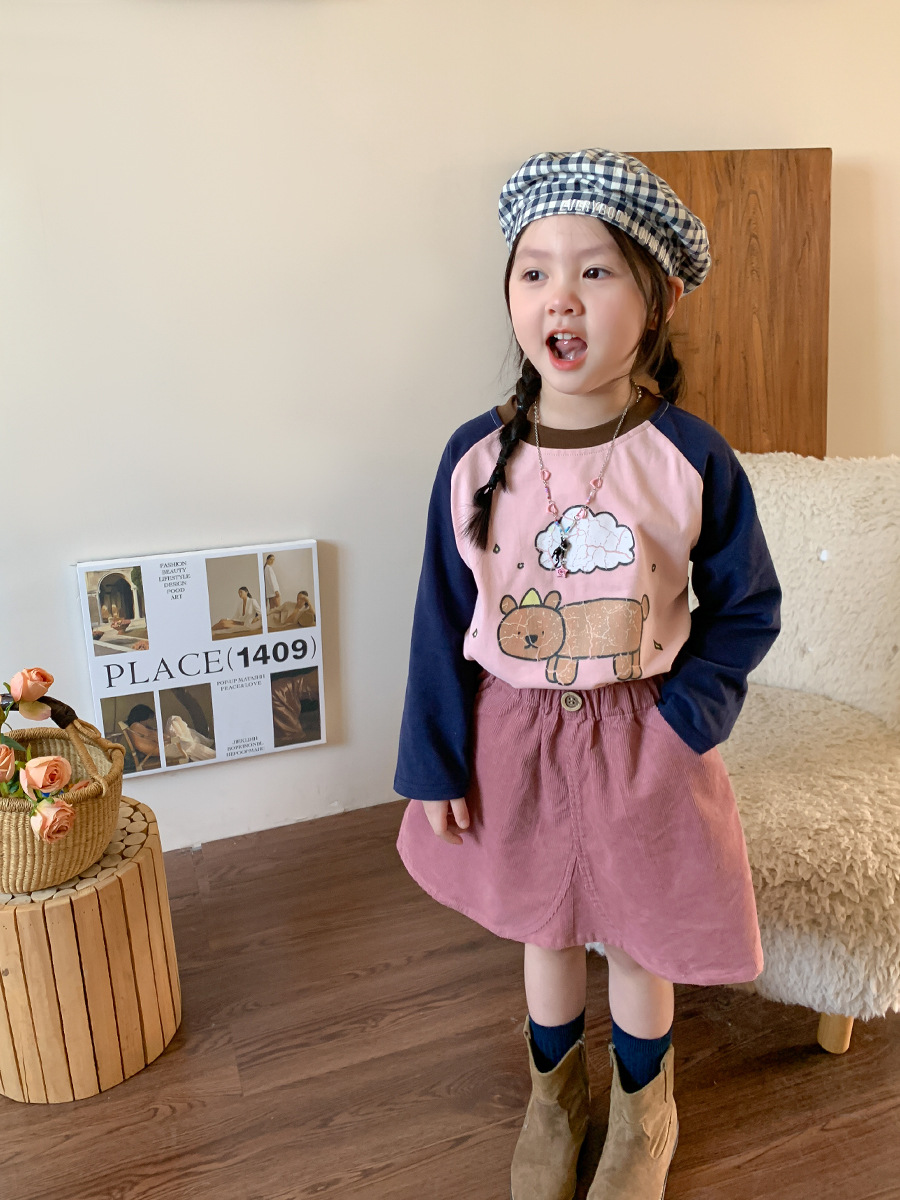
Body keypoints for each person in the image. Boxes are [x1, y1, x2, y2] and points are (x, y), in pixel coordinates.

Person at [394, 150, 781, 1200]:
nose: (559, 295)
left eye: (596, 271)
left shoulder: (691, 458)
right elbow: (441, 616)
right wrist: (434, 763)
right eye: (535, 272)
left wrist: (683, 722)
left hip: (643, 737)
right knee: (546, 925)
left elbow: (747, 605)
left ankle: (645, 1112)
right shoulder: (475, 459)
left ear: (660, 302)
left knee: (642, 935)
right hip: (512, 735)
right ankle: (554, 1099)